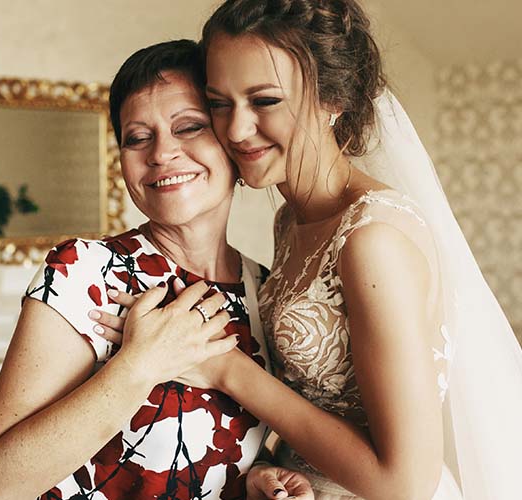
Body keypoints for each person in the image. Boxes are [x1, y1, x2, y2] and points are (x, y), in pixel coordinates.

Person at [95, 1, 522, 499]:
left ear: (332, 98)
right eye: (219, 103)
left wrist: (226, 369)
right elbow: (320, 409)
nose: (235, 129)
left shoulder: (372, 241)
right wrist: (266, 469)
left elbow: (405, 482)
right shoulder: (291, 222)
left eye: (265, 101)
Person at [0, 39, 314, 500]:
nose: (161, 153)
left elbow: (206, 456)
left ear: (233, 142)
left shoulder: (265, 290)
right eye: (137, 137)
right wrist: (142, 363)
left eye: (189, 127)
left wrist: (253, 479)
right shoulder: (85, 271)